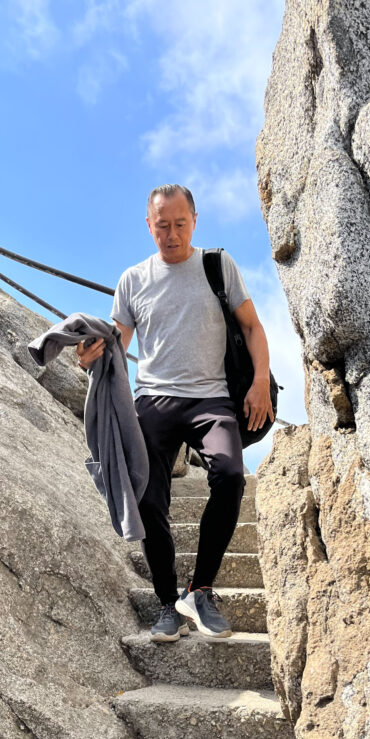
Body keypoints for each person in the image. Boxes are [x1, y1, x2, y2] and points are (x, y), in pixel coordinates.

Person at [77, 184, 273, 641]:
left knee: (229, 475)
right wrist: (94, 354)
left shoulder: (217, 266)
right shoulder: (132, 279)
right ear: (149, 225)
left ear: (194, 221)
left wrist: (260, 380)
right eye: (162, 225)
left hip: (212, 398)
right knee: (147, 498)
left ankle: (200, 590)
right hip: (153, 400)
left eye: (180, 224)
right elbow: (118, 342)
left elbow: (252, 325)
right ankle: (168, 603)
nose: (171, 234)